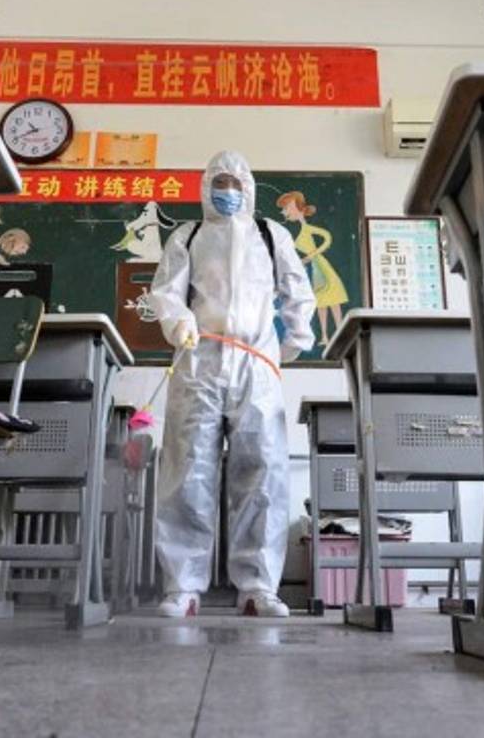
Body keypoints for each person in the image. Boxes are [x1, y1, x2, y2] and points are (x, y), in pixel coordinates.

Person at [148, 150, 315, 618]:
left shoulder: (270, 234)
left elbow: (297, 290)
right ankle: (182, 586)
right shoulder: (190, 234)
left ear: (249, 188)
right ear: (205, 187)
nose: (227, 192)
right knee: (188, 472)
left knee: (262, 471)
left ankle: (258, 586)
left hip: (256, 363)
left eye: (235, 183)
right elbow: (165, 291)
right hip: (198, 362)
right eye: (219, 183)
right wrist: (178, 321)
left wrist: (292, 344)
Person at [277, 190, 349, 347]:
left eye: (287, 207)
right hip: (313, 269)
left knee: (333, 300)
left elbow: (327, 238)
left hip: (321, 266)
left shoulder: (307, 228)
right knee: (321, 303)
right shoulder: (291, 231)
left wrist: (311, 255)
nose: (285, 212)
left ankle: (340, 332)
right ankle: (325, 336)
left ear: (299, 208)